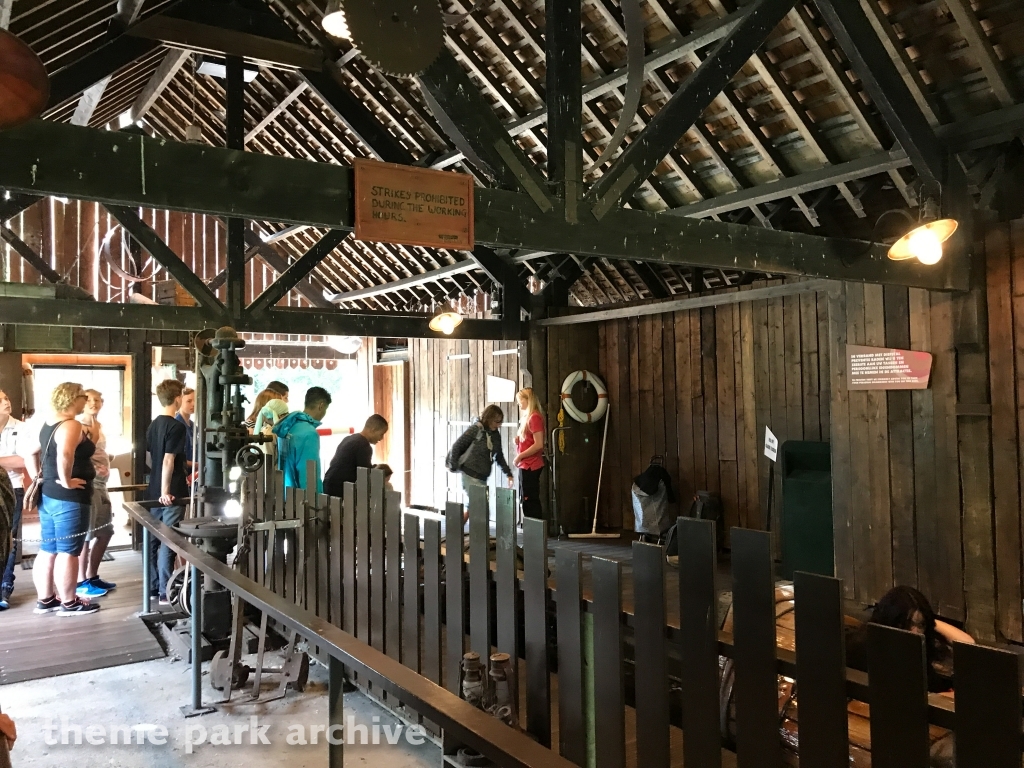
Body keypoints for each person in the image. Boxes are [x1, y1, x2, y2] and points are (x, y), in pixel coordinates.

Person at [33, 382, 99, 617]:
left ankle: (45, 599)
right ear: (74, 398)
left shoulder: (48, 423)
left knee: (48, 548)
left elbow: (32, 451)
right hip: (69, 498)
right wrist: (67, 479)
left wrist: (39, 475)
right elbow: (65, 453)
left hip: (49, 494)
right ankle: (69, 603)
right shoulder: (70, 424)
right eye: (84, 397)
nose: (86, 402)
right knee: (69, 550)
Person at [845, 585, 974, 694]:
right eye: (907, 624)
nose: (915, 631)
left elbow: (968, 644)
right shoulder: (865, 649)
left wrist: (929, 621)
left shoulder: (916, 650)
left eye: (921, 625)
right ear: (892, 621)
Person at [147, 380, 189, 604]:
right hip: (170, 492)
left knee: (154, 539)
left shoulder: (153, 425)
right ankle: (166, 590)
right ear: (177, 399)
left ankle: (154, 587)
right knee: (169, 539)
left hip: (152, 488)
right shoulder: (177, 426)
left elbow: (152, 458)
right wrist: (166, 490)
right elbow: (168, 460)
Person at [76, 390, 116, 597]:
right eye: (89, 400)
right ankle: (81, 580)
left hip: (102, 483)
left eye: (97, 400)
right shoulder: (80, 425)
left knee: (105, 531)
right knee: (86, 535)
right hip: (91, 484)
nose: (94, 403)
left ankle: (92, 575)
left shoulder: (98, 425)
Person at [447, 405, 514, 523]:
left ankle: (455, 530)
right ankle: (476, 537)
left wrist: (508, 473)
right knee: (480, 508)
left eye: (501, 422)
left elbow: (498, 455)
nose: (499, 425)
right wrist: (453, 465)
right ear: (488, 418)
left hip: (482, 477)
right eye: (497, 421)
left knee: (474, 507)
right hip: (470, 474)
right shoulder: (476, 429)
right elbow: (457, 446)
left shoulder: (495, 434)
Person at [273, 387, 331, 492]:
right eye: (325, 409)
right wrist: (317, 504)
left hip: (285, 493)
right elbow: (309, 476)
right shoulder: (309, 433)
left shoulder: (288, 426)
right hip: (300, 501)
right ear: (321, 406)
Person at [0, 389, 28, 609]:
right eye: (0, 400)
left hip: (13, 488)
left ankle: (5, 588)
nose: (6, 402)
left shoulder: (21, 427)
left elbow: (23, 460)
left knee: (9, 539)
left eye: (6, 398)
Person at [323, 414, 388, 497]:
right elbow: (365, 475)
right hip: (340, 489)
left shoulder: (349, 438)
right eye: (381, 434)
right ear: (373, 430)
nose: (381, 438)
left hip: (328, 484)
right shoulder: (363, 445)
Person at [513, 388, 546, 520]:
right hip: (525, 464)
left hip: (530, 464)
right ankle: (532, 530)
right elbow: (531, 440)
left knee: (530, 499)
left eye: (520, 400)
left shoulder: (534, 417)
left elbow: (538, 444)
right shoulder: (528, 417)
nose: (519, 403)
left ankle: (535, 531)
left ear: (528, 400)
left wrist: (520, 456)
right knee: (525, 498)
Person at [175, 387, 196, 473]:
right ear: (180, 402)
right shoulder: (177, 425)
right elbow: (175, 457)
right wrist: (197, 464)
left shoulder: (194, 426)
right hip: (183, 474)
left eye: (195, 400)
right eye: (189, 401)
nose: (193, 404)